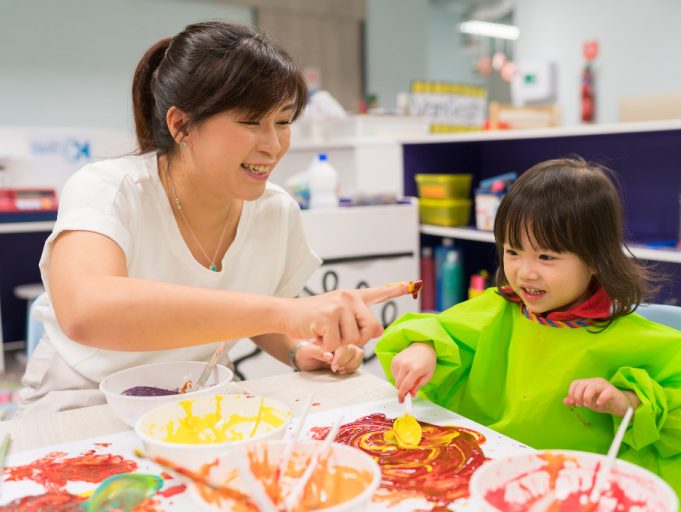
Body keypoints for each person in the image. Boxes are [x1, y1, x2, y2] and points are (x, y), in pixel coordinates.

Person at [18, 21, 410, 416]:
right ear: (181, 125)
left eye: (284, 122)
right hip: (83, 401)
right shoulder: (108, 188)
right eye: (250, 122)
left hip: (201, 393)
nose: (272, 146)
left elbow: (261, 313)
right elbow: (87, 312)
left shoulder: (276, 210)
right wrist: (287, 313)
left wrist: (299, 348)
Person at [375, 157, 681, 509]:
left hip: (578, 494)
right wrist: (424, 347)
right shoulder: (499, 310)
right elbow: (437, 327)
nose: (525, 273)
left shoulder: (626, 337)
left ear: (597, 259)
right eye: (513, 251)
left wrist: (626, 402)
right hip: (490, 479)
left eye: (547, 257)